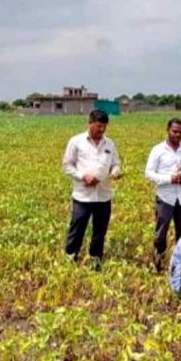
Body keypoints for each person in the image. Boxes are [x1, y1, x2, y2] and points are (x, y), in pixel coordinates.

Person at [63, 109, 122, 266]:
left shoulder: (109, 144)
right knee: (77, 228)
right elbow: (67, 166)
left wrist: (115, 172)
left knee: (100, 232)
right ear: (89, 123)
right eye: (98, 126)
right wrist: (83, 176)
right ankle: (70, 258)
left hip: (103, 195)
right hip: (83, 195)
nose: (101, 130)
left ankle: (95, 260)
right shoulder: (76, 142)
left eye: (104, 127)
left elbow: (116, 164)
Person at [145, 118, 181, 271]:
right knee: (160, 233)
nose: (178, 135)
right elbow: (149, 173)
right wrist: (169, 179)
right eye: (175, 131)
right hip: (165, 197)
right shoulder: (158, 150)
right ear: (168, 130)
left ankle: (179, 266)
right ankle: (158, 264)